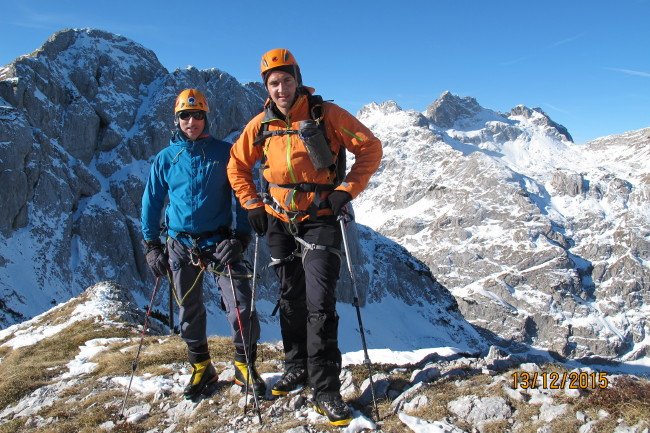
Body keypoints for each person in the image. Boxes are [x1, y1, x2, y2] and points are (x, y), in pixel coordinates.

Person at [227, 49, 382, 426]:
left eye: (286, 80)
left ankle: (325, 388)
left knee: (320, 303)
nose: (281, 89)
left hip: (321, 218)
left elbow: (370, 147)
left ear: (297, 79)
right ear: (266, 87)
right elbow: (237, 164)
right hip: (278, 219)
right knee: (289, 297)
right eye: (273, 83)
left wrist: (347, 190)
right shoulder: (260, 125)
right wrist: (252, 204)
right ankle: (296, 366)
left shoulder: (325, 114)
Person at [141, 88, 265, 401]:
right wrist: (151, 244)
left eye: (197, 115)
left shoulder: (225, 153)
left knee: (241, 305)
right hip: (180, 244)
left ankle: (244, 365)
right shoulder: (167, 158)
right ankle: (201, 367)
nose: (191, 121)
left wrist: (241, 237)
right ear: (177, 119)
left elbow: (242, 193)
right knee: (189, 309)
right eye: (185, 115)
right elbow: (151, 202)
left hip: (220, 241)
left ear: (206, 117)